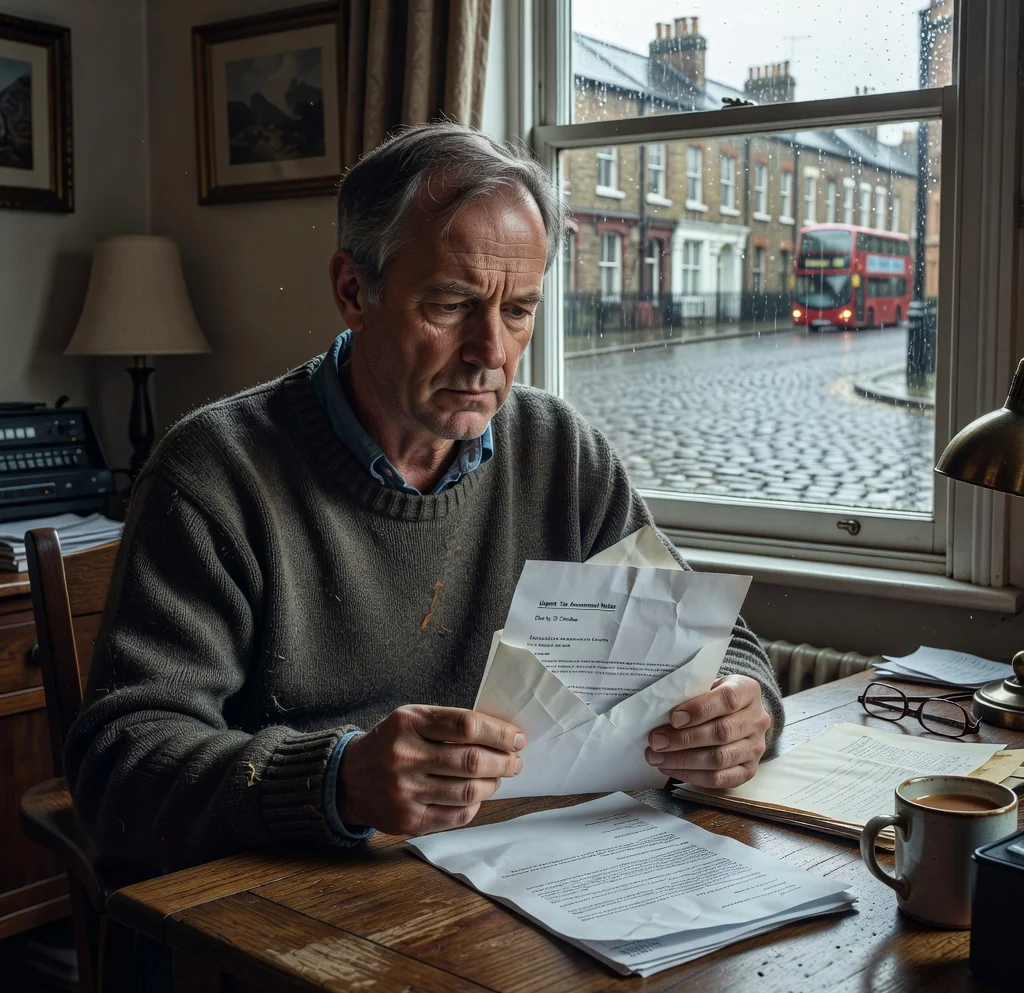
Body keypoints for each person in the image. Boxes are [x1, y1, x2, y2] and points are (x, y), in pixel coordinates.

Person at [65, 121, 783, 873]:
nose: (492, 354)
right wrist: (336, 781)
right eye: (451, 306)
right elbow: (120, 765)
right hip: (277, 910)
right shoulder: (215, 474)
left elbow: (718, 646)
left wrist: (744, 710)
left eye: (518, 311)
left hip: (514, 878)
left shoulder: (560, 450)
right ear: (354, 290)